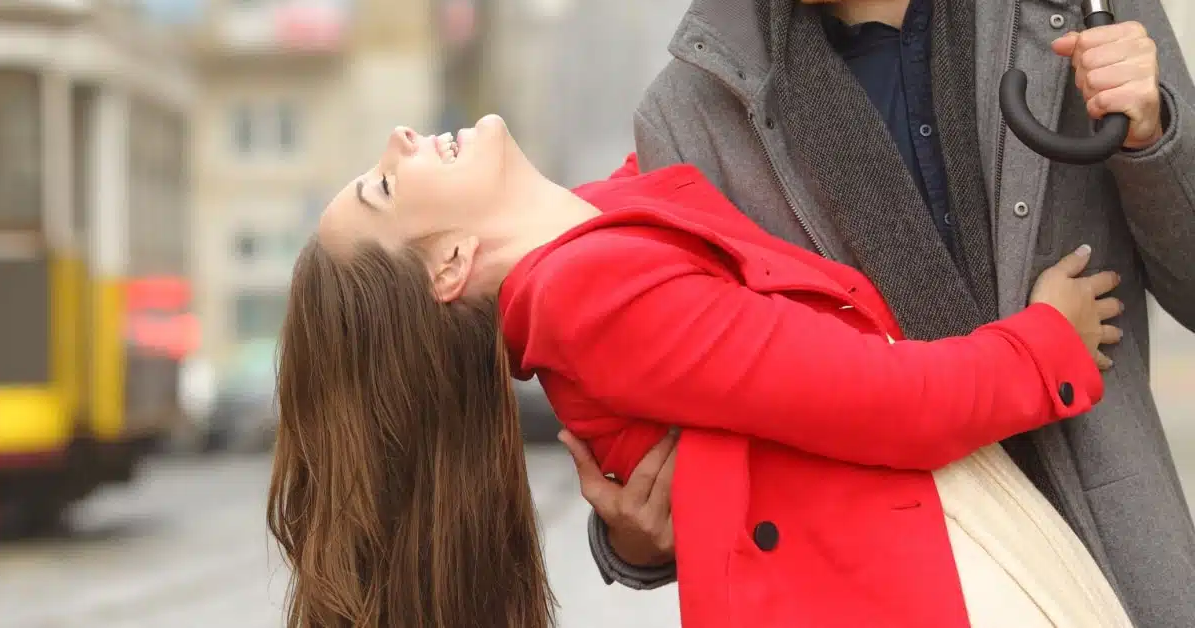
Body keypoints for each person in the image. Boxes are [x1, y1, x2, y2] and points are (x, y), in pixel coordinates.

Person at [571, 0, 1195, 624]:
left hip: (1112, 576)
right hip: (870, 596)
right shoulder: (690, 116)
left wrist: (1153, 134)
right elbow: (697, 423)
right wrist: (633, 541)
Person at [265, 115, 1130, 628]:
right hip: (924, 575)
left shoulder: (597, 241)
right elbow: (886, 399)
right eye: (385, 184)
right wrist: (1049, 341)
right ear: (450, 261)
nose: (400, 138)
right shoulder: (588, 300)